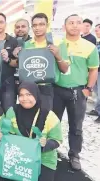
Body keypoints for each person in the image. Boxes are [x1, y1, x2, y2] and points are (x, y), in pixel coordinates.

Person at [52, 14, 99, 170]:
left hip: (78, 92)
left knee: (76, 126)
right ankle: (51, 150)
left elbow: (93, 70)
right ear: (64, 26)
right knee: (52, 123)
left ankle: (74, 154)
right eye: (71, 23)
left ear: (83, 26)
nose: (74, 25)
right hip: (57, 89)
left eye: (78, 23)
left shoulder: (89, 47)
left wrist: (88, 89)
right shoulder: (57, 44)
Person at [5, 81, 63, 181]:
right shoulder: (12, 112)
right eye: (21, 95)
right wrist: (0, 136)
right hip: (19, 157)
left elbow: (57, 140)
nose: (25, 99)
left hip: (43, 159)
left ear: (36, 95)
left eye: (29, 94)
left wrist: (46, 143)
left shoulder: (49, 116)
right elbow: (7, 134)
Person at [14, 13, 69, 109]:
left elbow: (65, 70)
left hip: (47, 87)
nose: (37, 28)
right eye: (35, 25)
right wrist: (17, 56)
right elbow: (21, 67)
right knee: (29, 119)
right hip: (28, 88)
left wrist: (57, 56)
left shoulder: (57, 43)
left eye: (41, 24)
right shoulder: (26, 45)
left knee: (44, 118)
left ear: (47, 25)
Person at [88, 23, 100, 122]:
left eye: (97, 30)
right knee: (96, 91)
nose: (96, 32)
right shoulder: (98, 43)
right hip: (96, 71)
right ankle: (97, 110)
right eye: (95, 31)